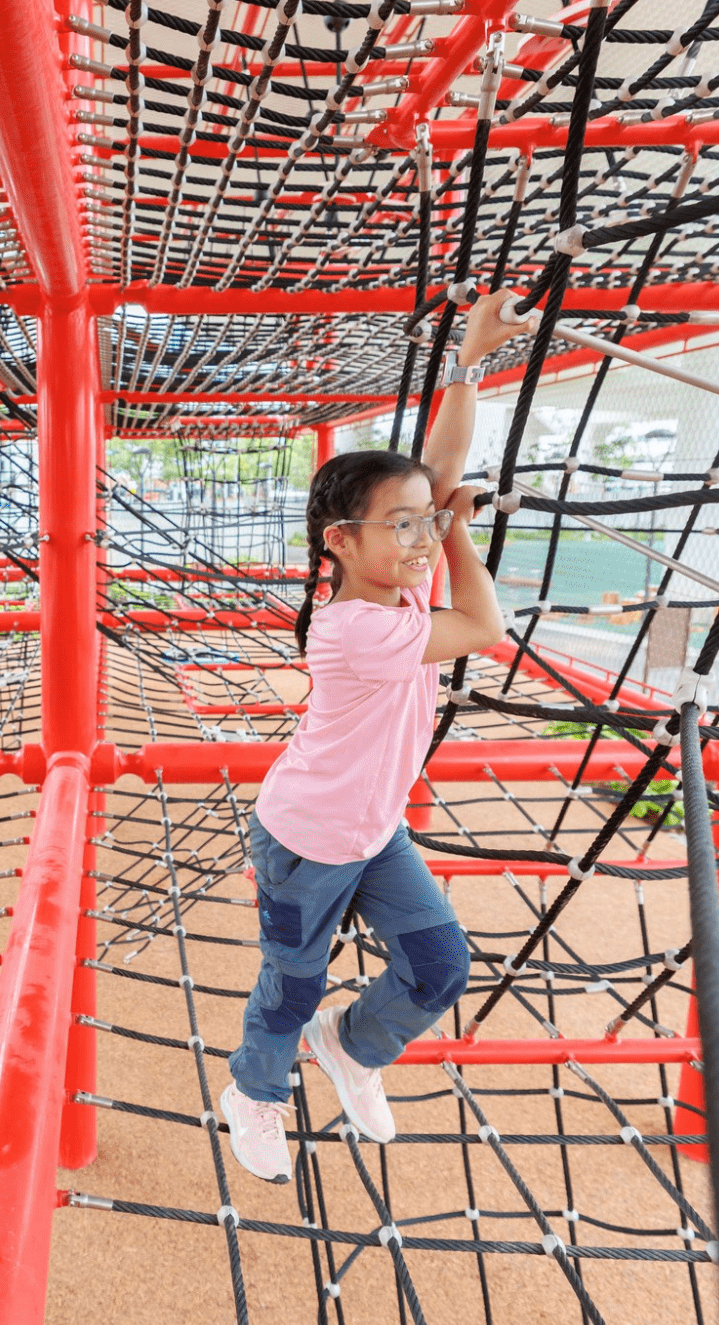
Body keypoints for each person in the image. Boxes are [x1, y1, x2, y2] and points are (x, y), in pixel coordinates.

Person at [219, 287, 526, 1183]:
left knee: (439, 968)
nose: (419, 536)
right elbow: (485, 625)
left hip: (373, 831)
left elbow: (439, 462)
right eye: (400, 526)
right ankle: (254, 1093)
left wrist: (469, 359)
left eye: (421, 521)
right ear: (341, 541)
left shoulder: (395, 587)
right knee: (291, 984)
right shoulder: (355, 624)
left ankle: (351, 1048)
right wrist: (457, 532)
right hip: (305, 840)